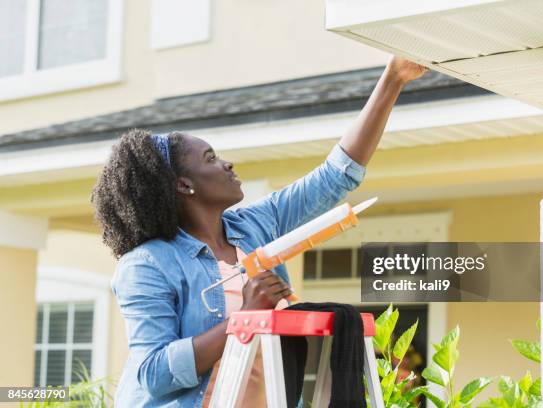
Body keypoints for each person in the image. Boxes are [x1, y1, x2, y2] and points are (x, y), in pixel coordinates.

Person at [92, 56, 427, 407]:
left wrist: (393, 79)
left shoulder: (255, 227)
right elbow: (154, 374)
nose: (227, 163)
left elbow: (336, 175)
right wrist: (245, 318)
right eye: (210, 158)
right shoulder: (147, 264)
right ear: (183, 184)